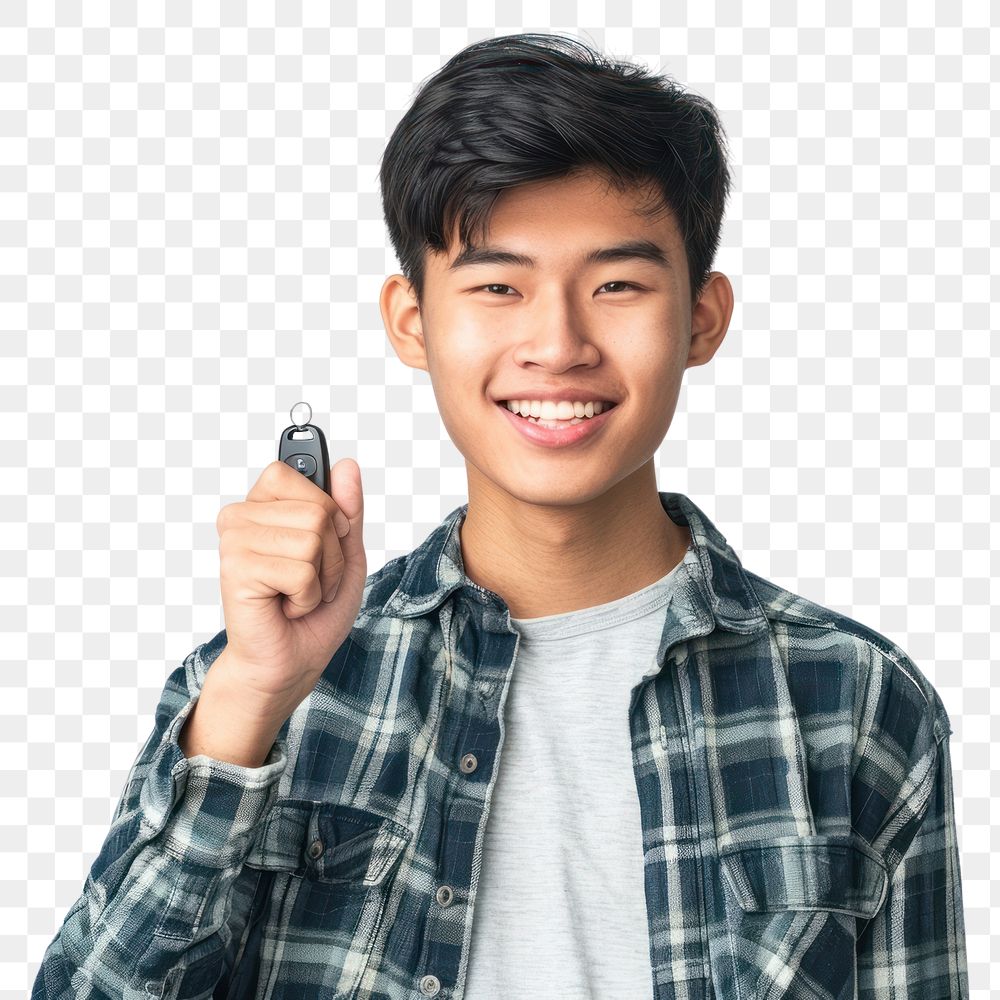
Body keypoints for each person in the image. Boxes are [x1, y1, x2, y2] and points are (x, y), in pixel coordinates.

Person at [32, 32, 969, 1000]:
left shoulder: (855, 697)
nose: (556, 344)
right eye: (496, 286)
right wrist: (250, 698)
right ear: (411, 320)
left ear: (700, 317)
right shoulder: (259, 689)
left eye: (616, 285)